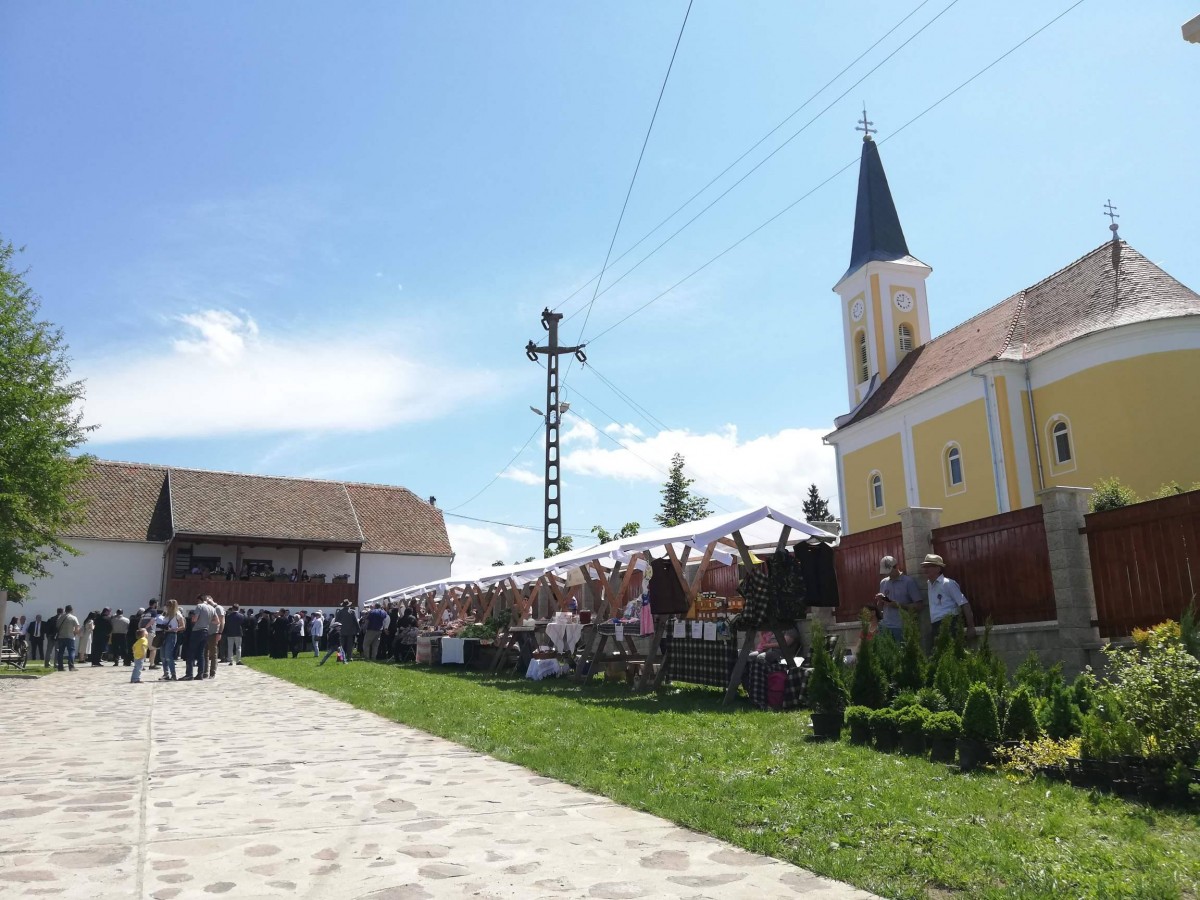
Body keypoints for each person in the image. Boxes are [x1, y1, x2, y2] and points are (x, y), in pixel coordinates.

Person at [920, 554, 976, 642]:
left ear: (938, 569)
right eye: (924, 566)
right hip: (936, 625)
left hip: (950, 624)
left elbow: (964, 604)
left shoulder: (948, 584)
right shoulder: (929, 584)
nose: (925, 569)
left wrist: (971, 627)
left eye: (929, 566)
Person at [875, 555, 925, 643]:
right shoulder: (883, 582)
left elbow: (919, 606)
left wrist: (898, 605)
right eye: (886, 572)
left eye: (890, 571)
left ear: (897, 567)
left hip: (902, 627)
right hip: (885, 627)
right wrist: (880, 601)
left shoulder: (908, 582)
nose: (888, 574)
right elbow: (880, 608)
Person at [183, 596, 214, 681]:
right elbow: (216, 621)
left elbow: (194, 619)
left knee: (190, 653)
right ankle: (200, 674)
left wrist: (194, 618)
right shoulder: (212, 608)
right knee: (201, 654)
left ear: (200, 600)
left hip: (197, 630)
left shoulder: (199, 606)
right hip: (206, 631)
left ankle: (189, 674)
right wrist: (206, 621)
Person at [159, 599, 184, 681]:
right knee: (162, 655)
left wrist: (174, 629)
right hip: (164, 634)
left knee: (168, 655)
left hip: (172, 635)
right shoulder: (165, 614)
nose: (167, 606)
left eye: (169, 605)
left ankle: (173, 674)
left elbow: (182, 626)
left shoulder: (177, 614)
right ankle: (166, 673)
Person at [54, 604, 80, 671]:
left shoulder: (60, 617)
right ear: (71, 610)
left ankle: (60, 667)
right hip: (70, 637)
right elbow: (77, 628)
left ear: (65, 610)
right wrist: (75, 634)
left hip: (61, 637)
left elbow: (57, 626)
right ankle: (71, 666)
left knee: (61, 652)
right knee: (71, 651)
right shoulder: (73, 617)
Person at [205, 596, 225, 678]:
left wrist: (219, 633)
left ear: (211, 599)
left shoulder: (218, 608)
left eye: (208, 599)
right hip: (206, 632)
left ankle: (212, 672)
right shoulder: (207, 608)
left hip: (214, 633)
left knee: (213, 653)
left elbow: (222, 621)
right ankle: (205, 672)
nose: (207, 601)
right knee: (205, 653)